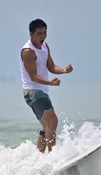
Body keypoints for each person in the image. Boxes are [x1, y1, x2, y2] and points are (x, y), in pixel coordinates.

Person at [19, 19, 73, 153]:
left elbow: (51, 67)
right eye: (39, 34)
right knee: (52, 121)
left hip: (41, 91)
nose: (42, 36)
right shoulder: (28, 51)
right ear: (31, 34)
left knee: (46, 127)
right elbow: (33, 76)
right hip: (33, 92)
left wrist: (64, 70)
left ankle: (39, 158)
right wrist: (51, 83)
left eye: (44, 33)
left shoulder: (45, 47)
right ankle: (53, 156)